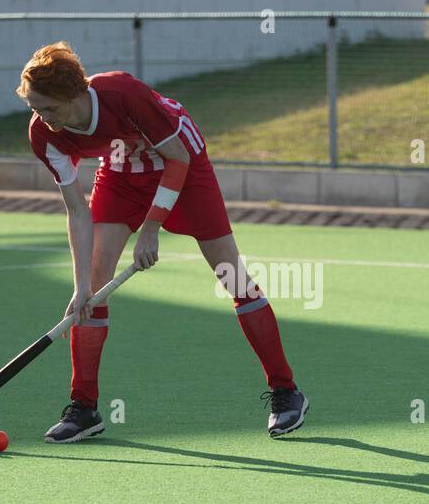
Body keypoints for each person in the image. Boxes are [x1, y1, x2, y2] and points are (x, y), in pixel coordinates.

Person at [17, 42, 308, 442]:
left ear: (75, 94)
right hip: (121, 174)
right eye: (35, 108)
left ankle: (286, 391)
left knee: (233, 278)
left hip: (183, 165)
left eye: (49, 108)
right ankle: (84, 409)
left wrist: (152, 227)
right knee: (95, 292)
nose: (42, 118)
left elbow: (178, 158)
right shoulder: (43, 134)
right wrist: (81, 285)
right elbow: (77, 212)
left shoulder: (123, 93)